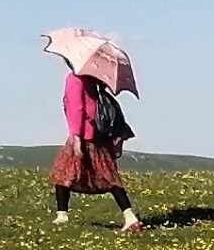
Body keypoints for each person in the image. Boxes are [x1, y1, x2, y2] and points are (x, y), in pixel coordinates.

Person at [51, 54, 144, 232]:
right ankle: (129, 216)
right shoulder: (94, 81)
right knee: (109, 177)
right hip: (99, 136)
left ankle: (62, 215)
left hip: (84, 135)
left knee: (63, 173)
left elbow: (77, 109)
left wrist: (76, 137)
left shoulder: (74, 80)